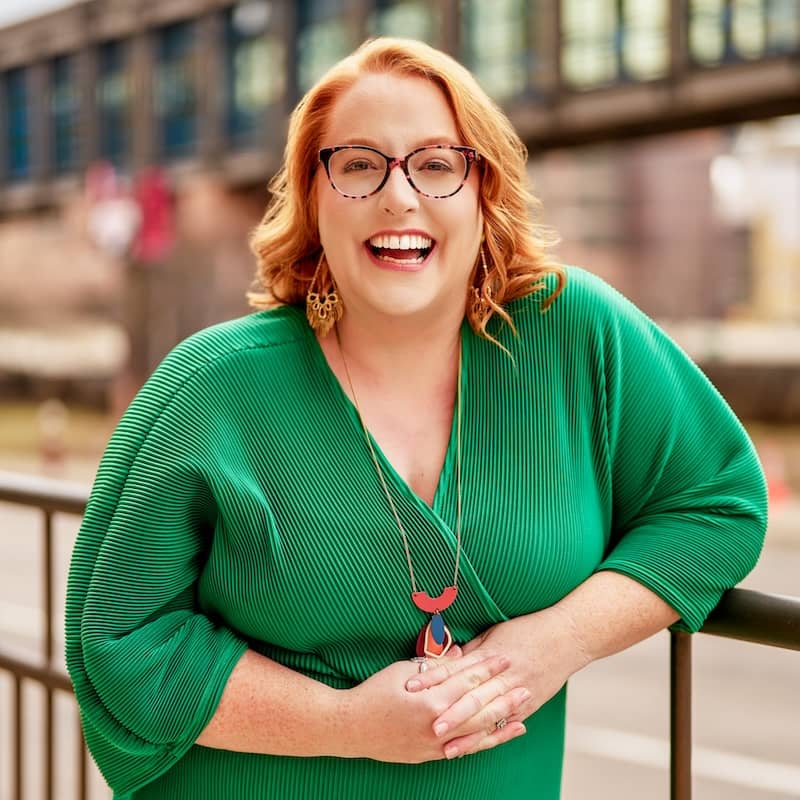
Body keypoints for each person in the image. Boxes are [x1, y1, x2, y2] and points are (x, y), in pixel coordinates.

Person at [65, 37, 768, 800]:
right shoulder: (209, 388)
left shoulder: (577, 336)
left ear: (481, 189)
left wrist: (554, 643)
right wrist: (342, 722)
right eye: (360, 165)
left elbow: (716, 504)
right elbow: (120, 638)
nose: (400, 197)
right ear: (313, 195)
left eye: (436, 165)